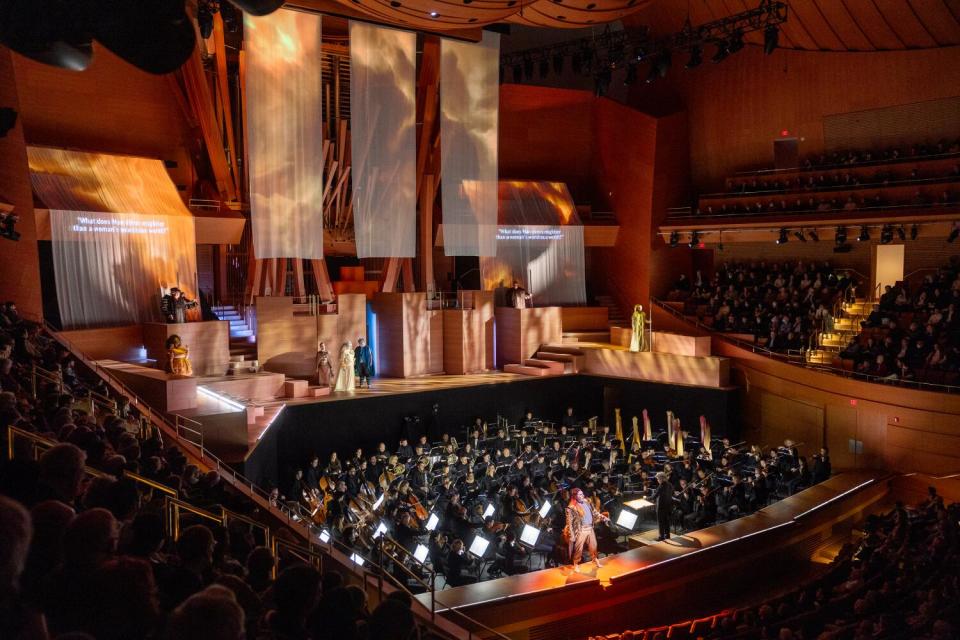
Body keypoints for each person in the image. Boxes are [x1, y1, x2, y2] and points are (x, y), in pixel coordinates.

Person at [564, 488, 606, 571]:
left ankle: (595, 559)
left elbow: (594, 512)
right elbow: (569, 523)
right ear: (575, 496)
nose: (582, 495)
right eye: (580, 494)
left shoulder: (587, 502)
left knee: (593, 545)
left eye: (582, 493)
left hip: (590, 528)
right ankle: (576, 563)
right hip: (581, 529)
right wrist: (572, 535)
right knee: (579, 548)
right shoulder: (571, 507)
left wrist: (602, 517)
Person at [652, 471, 674, 541]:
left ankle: (661, 537)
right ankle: (667, 535)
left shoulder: (661, 486)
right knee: (666, 521)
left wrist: (645, 498)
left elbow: (654, 496)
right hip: (668, 506)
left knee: (661, 522)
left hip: (661, 507)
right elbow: (672, 493)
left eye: (658, 479)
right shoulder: (670, 484)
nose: (657, 480)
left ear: (661, 479)